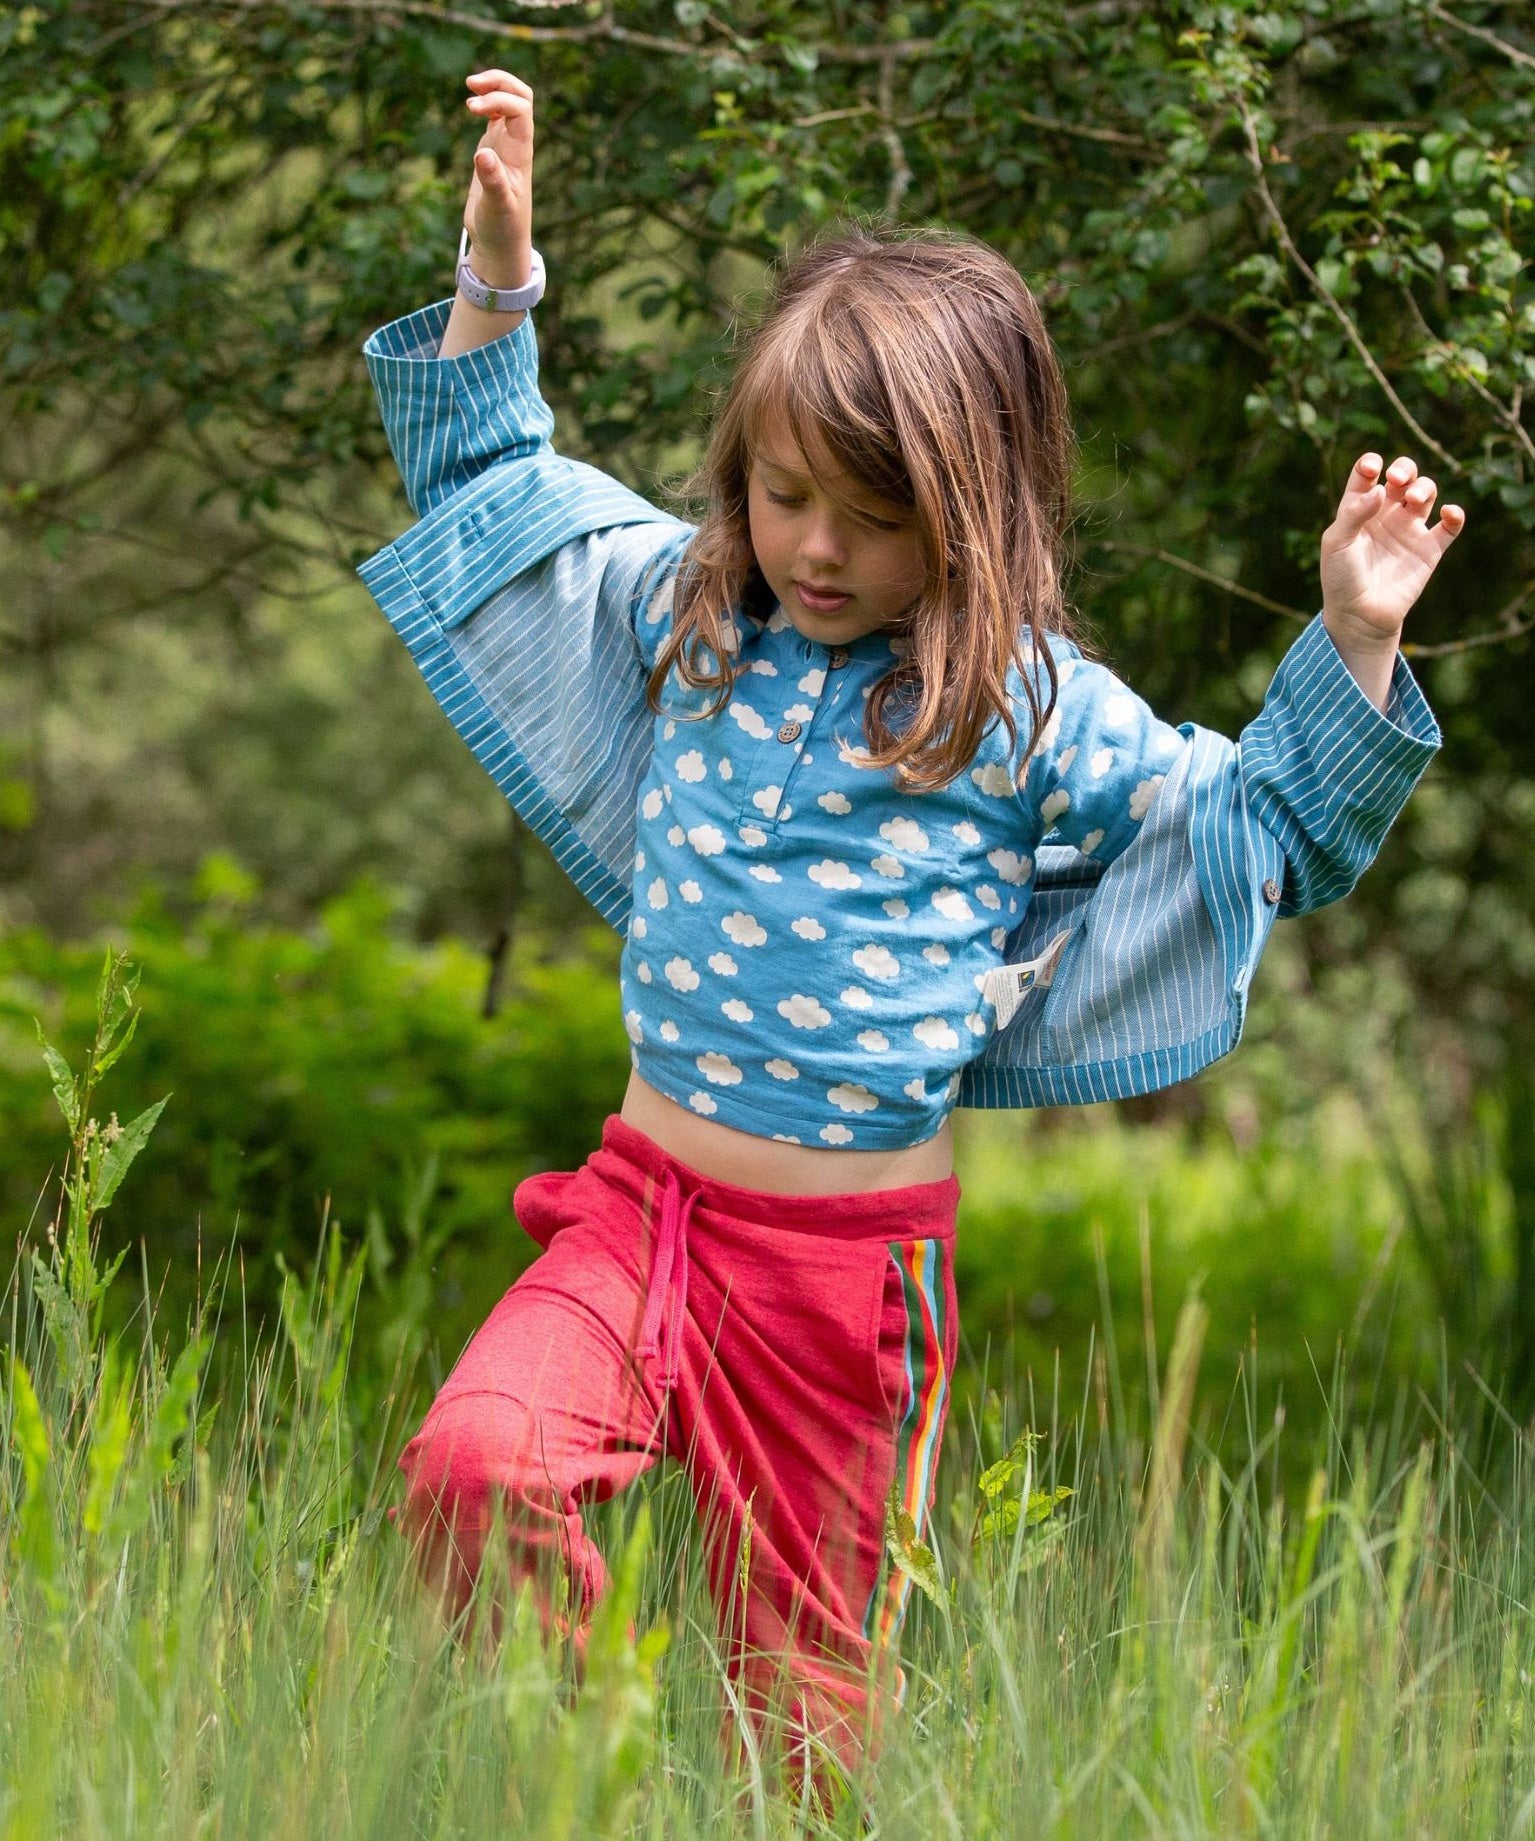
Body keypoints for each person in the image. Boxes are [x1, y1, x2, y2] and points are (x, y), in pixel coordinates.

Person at [358, 68, 1460, 1788]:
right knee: (474, 1467)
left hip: (844, 1289)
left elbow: (1262, 827)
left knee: (804, 1729)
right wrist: (501, 281)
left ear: (974, 507)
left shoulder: (1027, 711)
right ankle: (605, 1784)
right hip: (638, 1220)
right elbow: (501, 488)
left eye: (875, 521)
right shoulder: (697, 611)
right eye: (789, 492)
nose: (818, 546)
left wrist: (1358, 640)